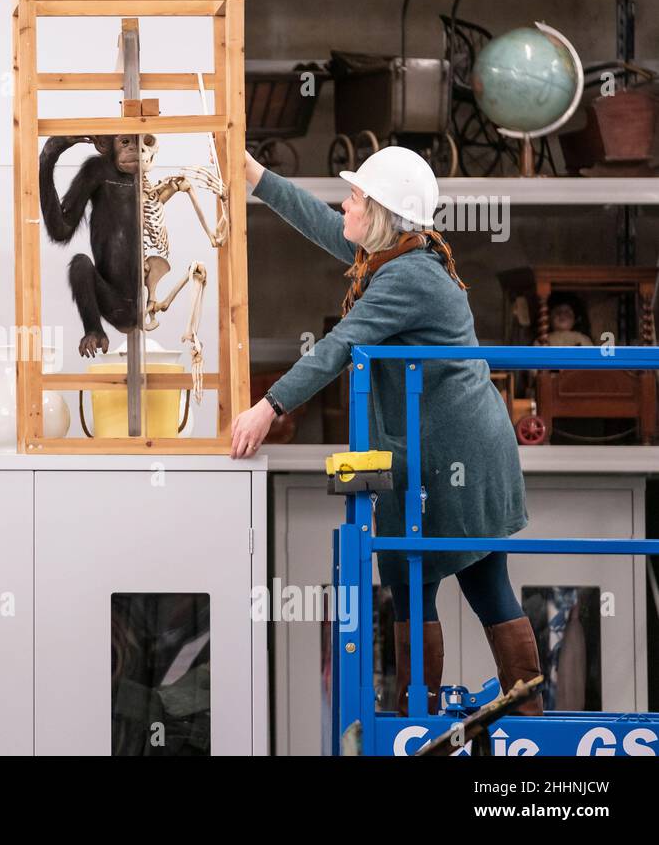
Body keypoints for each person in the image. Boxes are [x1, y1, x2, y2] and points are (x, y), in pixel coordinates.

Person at [232, 146, 542, 716]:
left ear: (378, 215)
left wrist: (268, 407)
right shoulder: (393, 256)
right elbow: (324, 223)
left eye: (355, 198)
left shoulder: (407, 278)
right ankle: (426, 719)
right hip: (431, 452)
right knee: (419, 580)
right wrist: (257, 176)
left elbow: (339, 347)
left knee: (466, 582)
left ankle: (442, 720)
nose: (344, 205)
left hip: (457, 456)